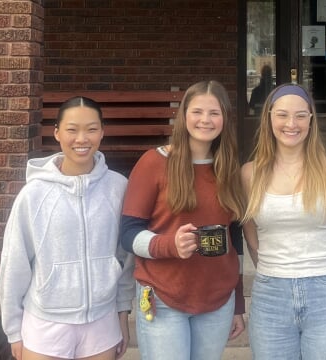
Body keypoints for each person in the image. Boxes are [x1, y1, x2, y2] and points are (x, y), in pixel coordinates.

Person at [0, 96, 135, 360]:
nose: (82, 139)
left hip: (102, 321)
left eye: (91, 129)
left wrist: (122, 313)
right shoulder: (33, 194)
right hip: (45, 323)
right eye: (72, 130)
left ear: (102, 133)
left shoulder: (118, 188)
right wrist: (13, 330)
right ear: (58, 133)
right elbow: (14, 261)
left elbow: (125, 257)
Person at [118, 80, 246, 360]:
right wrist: (169, 245)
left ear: (225, 117)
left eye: (214, 113)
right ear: (184, 114)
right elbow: (128, 234)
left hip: (217, 299)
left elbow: (234, 242)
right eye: (197, 111)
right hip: (164, 296)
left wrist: (237, 303)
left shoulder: (228, 168)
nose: (205, 120)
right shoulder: (154, 163)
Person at [241, 83, 326, 359]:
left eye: (300, 115)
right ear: (269, 117)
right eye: (282, 115)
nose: (291, 124)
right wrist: (277, 269)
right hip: (270, 293)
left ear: (311, 119)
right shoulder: (249, 174)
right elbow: (251, 236)